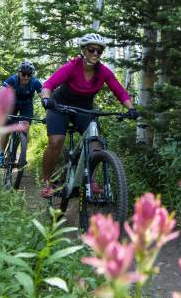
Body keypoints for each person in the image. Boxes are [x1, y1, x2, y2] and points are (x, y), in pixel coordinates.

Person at [40, 33, 138, 198]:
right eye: (91, 50)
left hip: (84, 109)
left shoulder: (103, 72)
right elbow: (48, 84)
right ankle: (46, 181)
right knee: (56, 141)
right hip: (59, 106)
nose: (95, 54)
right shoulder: (72, 67)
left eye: (99, 51)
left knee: (95, 143)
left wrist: (131, 108)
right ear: (83, 50)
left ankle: (89, 179)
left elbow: (119, 91)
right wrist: (46, 99)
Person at [0, 61, 43, 168]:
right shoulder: (12, 80)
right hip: (11, 104)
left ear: (32, 75)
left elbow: (43, 96)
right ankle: (1, 155)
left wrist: (48, 105)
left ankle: (20, 153)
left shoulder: (35, 82)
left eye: (29, 75)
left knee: (25, 127)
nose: (26, 77)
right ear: (19, 73)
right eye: (23, 74)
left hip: (26, 105)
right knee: (6, 128)